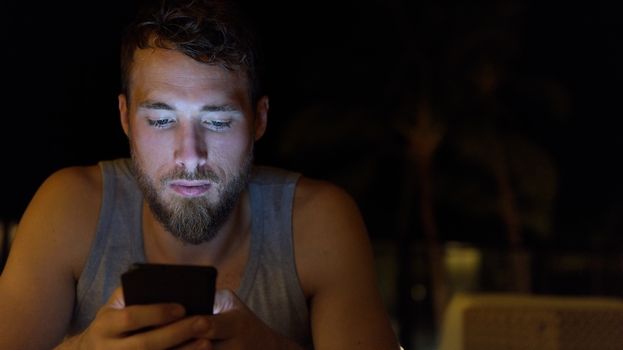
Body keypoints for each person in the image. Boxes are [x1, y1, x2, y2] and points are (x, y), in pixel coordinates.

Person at [0, 0, 400, 349]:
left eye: (219, 121)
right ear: (125, 118)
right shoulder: (69, 208)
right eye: (160, 120)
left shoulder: (319, 223)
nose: (190, 156)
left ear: (259, 120)